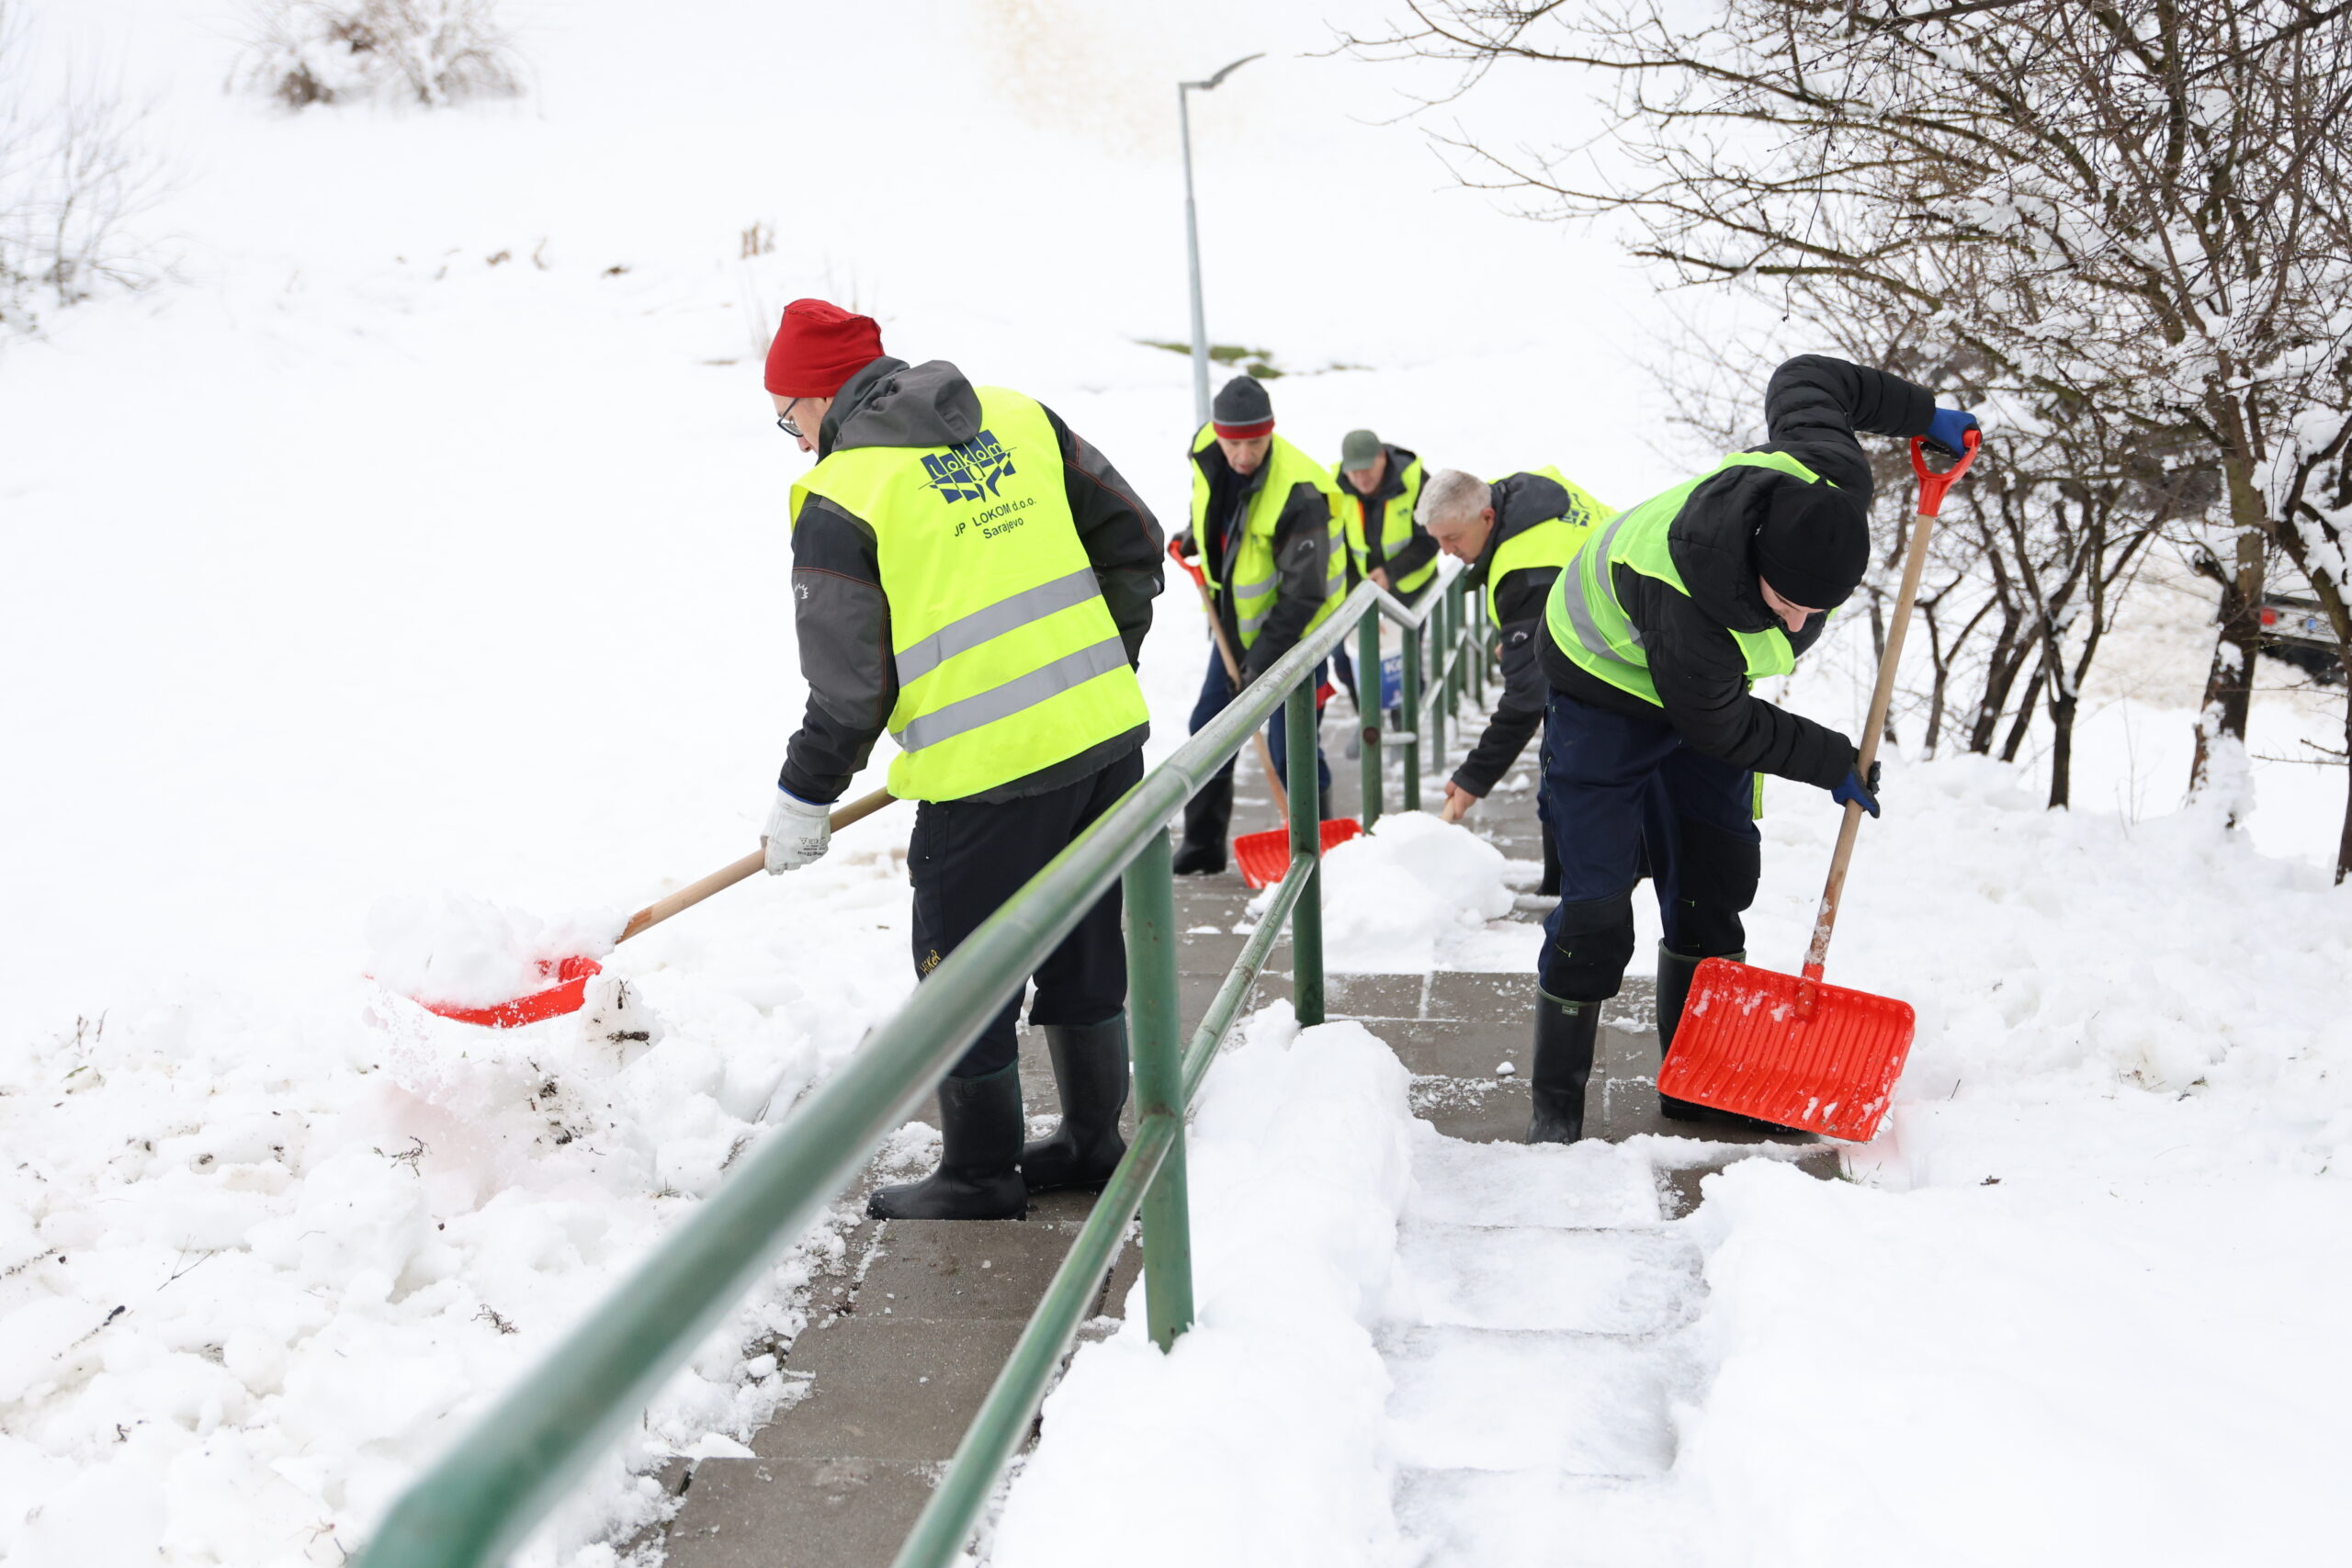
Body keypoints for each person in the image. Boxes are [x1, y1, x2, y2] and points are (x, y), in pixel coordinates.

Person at [759, 298, 1165, 1220]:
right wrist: (1097, 666)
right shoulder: (1017, 416)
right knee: (1084, 940)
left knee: (965, 971)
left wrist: (802, 795)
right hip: (1103, 743)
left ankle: (980, 1174)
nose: (796, 442)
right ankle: (1093, 1139)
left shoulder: (842, 495)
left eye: (789, 419)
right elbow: (1134, 542)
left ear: (820, 395)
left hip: (986, 781)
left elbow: (850, 688)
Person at [1524, 355, 1979, 1145]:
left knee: (1714, 878)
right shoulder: (1690, 597)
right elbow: (1722, 726)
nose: (1799, 624)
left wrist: (1921, 411)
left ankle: (1696, 1082)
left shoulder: (1828, 476)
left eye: (1818, 607)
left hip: (1705, 690)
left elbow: (1809, 381)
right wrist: (1832, 759)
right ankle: (1556, 1107)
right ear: (1758, 561)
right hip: (1603, 686)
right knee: (1596, 907)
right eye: (1789, 604)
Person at [1170, 375, 1348, 875]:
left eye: (1255, 443)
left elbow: (1304, 593)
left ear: (1271, 431)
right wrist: (1196, 536)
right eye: (1234, 443)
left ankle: (1316, 845)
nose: (1244, 455)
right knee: (1208, 729)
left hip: (1299, 636)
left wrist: (1260, 664)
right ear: (1218, 434)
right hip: (1236, 628)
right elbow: (1219, 511)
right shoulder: (1208, 453)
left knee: (1290, 746)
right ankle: (1203, 845)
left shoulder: (1300, 492)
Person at [1418, 467, 1616, 897]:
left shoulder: (1526, 571)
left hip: (1618, 666)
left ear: (1487, 517)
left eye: (1452, 538)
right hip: (1613, 636)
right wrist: (1523, 639)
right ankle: (1567, 891)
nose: (1447, 552)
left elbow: (1526, 701)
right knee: (1566, 782)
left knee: (1569, 784)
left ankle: (1577, 899)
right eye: (1438, 540)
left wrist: (1473, 778)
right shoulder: (1524, 494)